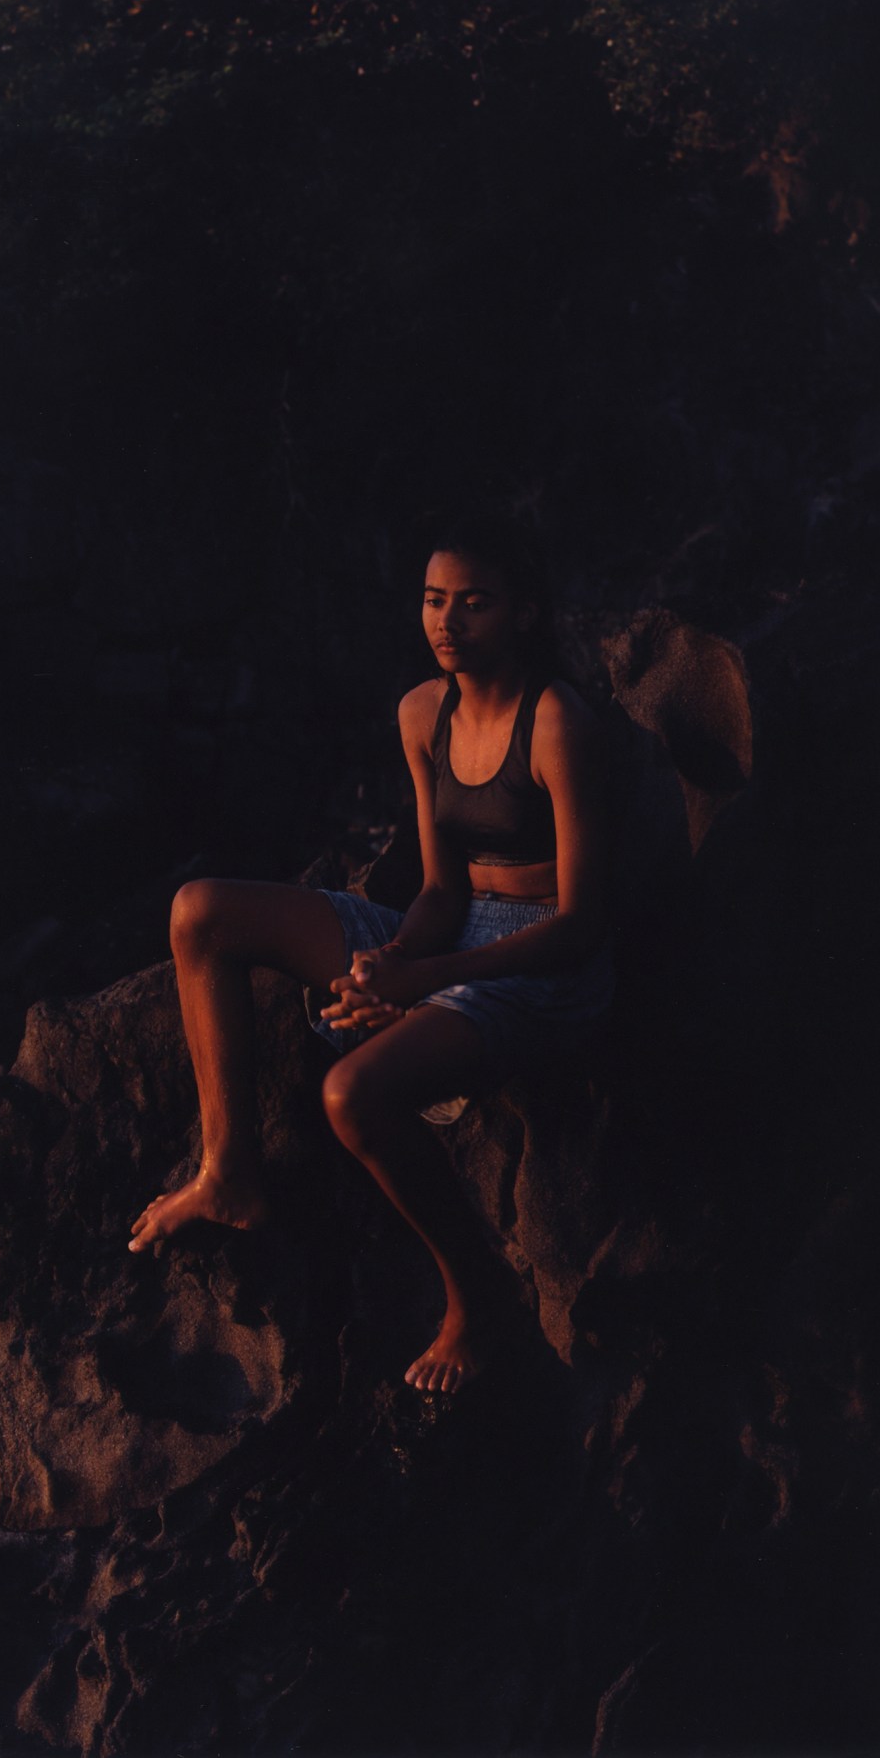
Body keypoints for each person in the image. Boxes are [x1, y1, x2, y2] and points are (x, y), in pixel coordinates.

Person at [129, 515, 614, 1393]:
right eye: (434, 600)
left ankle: (476, 1299)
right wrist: (381, 965)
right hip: (454, 935)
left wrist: (423, 982)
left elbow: (583, 922)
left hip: (544, 965)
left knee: (351, 1091)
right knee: (200, 911)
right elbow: (439, 889)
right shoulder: (423, 712)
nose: (447, 622)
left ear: (525, 614)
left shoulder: (555, 722)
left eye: (474, 602)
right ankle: (228, 1170)